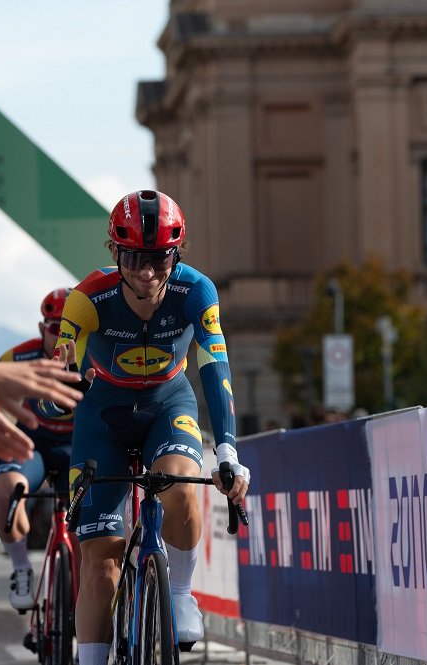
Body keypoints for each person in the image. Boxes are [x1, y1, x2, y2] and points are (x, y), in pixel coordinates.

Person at [56, 190, 251, 665]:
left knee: (180, 483)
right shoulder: (88, 297)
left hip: (168, 401)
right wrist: (61, 386)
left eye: (159, 258)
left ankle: (181, 592)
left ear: (176, 254)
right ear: (115, 253)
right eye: (134, 258)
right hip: (103, 411)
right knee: (100, 559)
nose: (146, 271)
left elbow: (214, 366)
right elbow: (61, 369)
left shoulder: (195, 291)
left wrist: (227, 449)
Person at [0, 288, 75, 610]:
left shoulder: (95, 353)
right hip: (33, 444)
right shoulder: (19, 357)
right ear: (42, 329)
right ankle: (21, 567)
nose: (63, 338)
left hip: (78, 445)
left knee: (91, 532)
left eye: (71, 330)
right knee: (7, 492)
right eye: (56, 329)